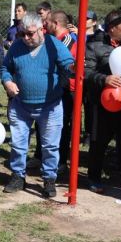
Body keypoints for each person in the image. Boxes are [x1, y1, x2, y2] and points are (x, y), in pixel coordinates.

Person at [1, 12, 74, 198]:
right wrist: (8, 82)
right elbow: (5, 68)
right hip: (20, 105)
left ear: (41, 29)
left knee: (50, 146)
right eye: (23, 33)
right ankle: (18, 176)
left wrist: (73, 68)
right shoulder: (17, 46)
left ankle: (49, 179)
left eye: (30, 33)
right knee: (18, 144)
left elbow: (68, 64)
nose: (26, 38)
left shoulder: (53, 44)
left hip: (50, 106)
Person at [84, 9, 121, 193]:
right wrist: (104, 79)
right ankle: (94, 177)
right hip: (103, 103)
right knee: (99, 141)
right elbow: (86, 73)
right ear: (112, 28)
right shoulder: (94, 45)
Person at [45, 11, 77, 175]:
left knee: (62, 126)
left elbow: (68, 68)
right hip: (54, 88)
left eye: (48, 22)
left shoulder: (67, 42)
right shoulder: (53, 40)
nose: (45, 25)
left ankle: (61, 161)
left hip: (65, 91)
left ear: (56, 23)